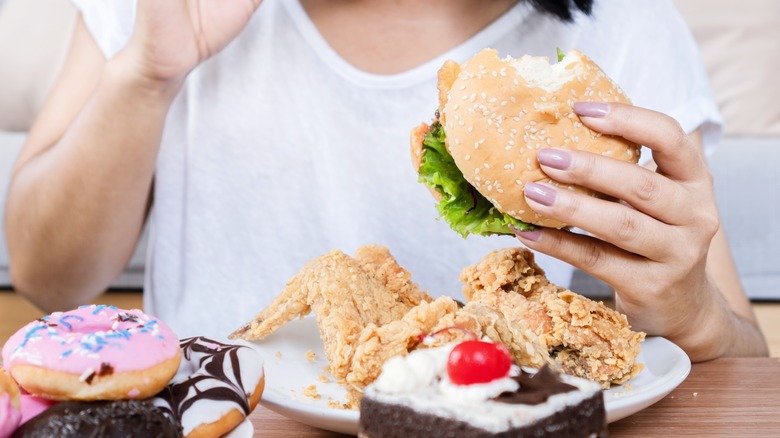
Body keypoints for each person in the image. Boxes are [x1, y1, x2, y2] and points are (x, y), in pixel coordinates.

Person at [4, 0, 768, 360]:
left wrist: (690, 309)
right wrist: (147, 74)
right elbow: (47, 276)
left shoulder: (622, 31)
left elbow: (740, 364)